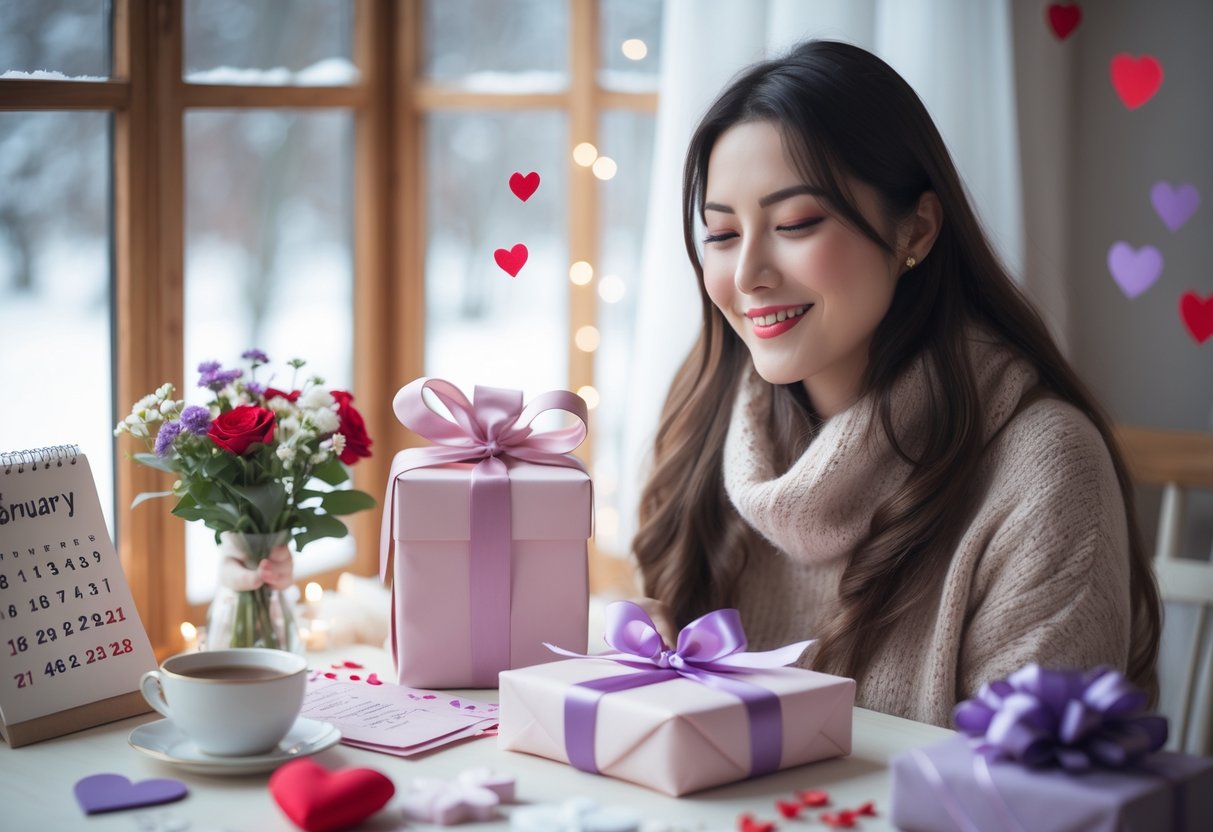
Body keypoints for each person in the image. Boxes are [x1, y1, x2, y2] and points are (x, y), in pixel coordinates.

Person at [631, 40, 1161, 727]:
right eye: (722, 235)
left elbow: (1032, 798)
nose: (747, 275)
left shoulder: (1046, 469)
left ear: (915, 227)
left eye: (794, 223)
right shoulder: (703, 416)